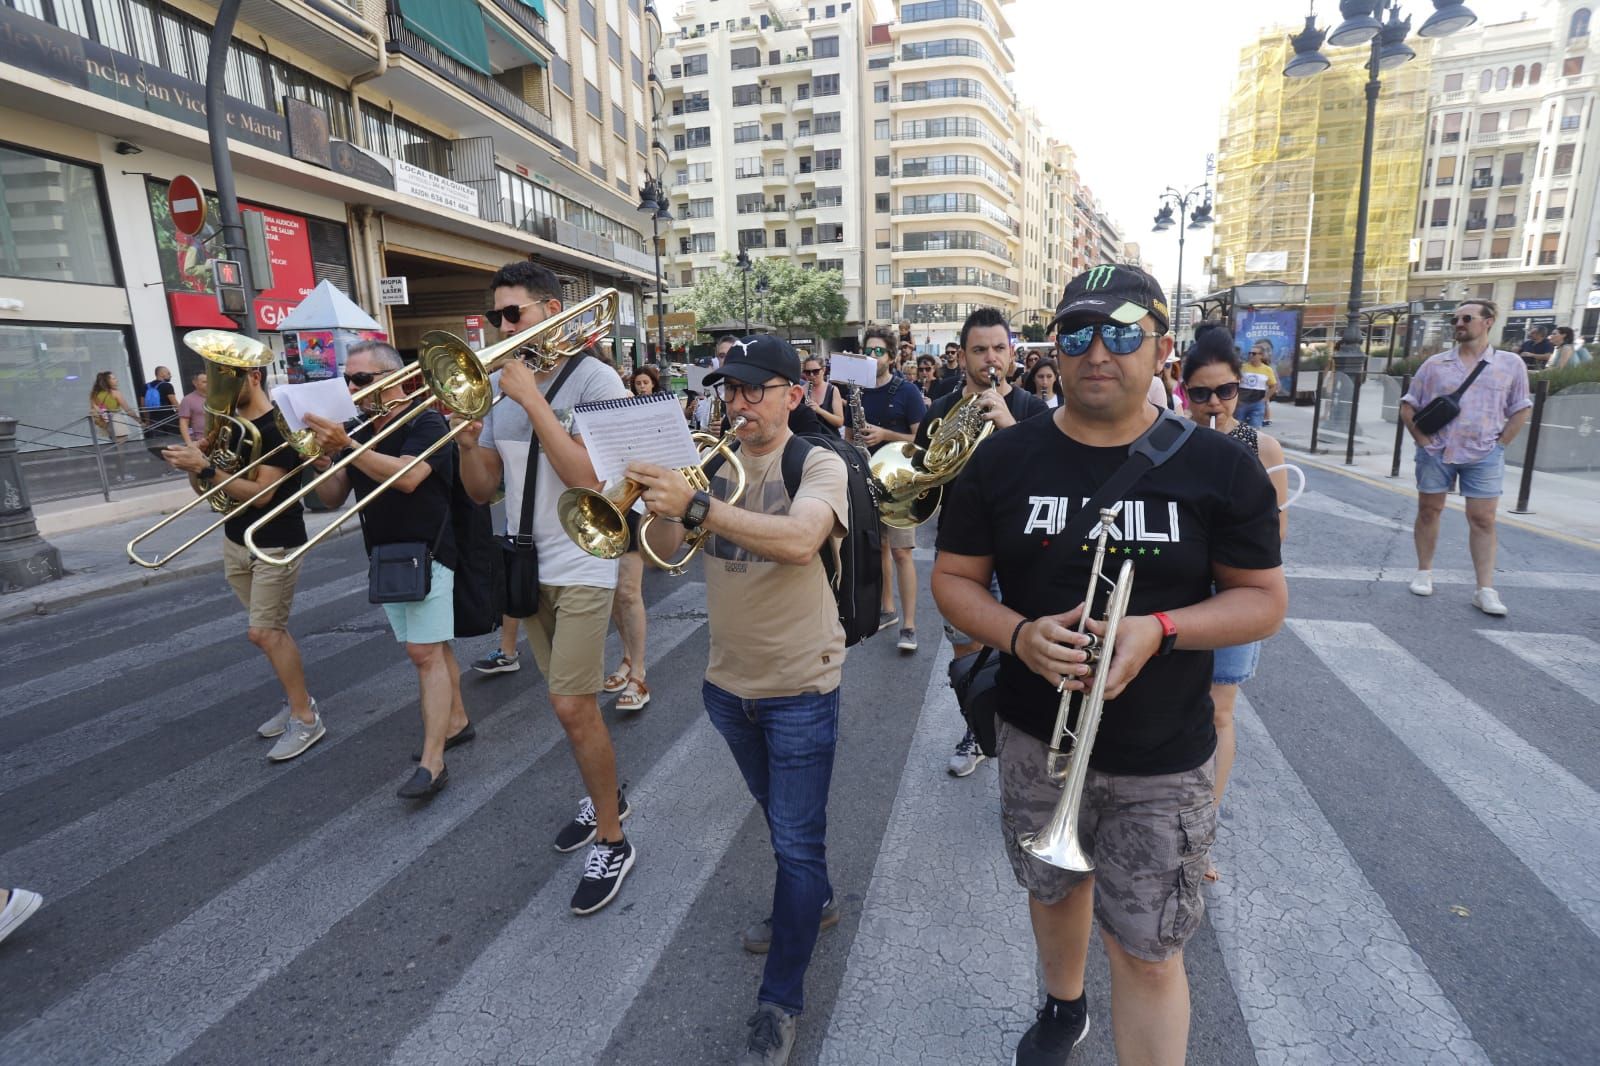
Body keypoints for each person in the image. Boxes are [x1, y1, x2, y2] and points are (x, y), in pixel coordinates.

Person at [933, 264, 1286, 1066]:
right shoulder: (1001, 460)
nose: (1100, 350)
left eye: (1124, 332)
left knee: (1149, 949)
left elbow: (1262, 599)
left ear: (1160, 346)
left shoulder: (1220, 465)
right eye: (1080, 332)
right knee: (1053, 892)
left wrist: (1158, 627)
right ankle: (1062, 1006)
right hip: (1036, 733)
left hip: (1162, 755)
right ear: (1054, 348)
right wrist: (1020, 635)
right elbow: (952, 581)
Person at [630, 335, 850, 1066]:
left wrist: (695, 501)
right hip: (728, 685)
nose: (740, 402)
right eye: (732, 389)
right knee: (782, 821)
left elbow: (798, 540)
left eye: (757, 389)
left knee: (794, 841)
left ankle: (778, 1001)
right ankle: (809, 897)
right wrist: (654, 497)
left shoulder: (817, 462)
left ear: (795, 393)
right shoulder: (709, 466)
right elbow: (666, 548)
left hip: (801, 685)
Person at [456, 260, 637, 915]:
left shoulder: (598, 378)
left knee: (570, 706)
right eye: (494, 317)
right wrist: (465, 436)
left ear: (551, 310)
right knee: (574, 705)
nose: (500, 328)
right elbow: (483, 490)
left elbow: (591, 480)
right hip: (528, 566)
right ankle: (606, 794)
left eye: (514, 315)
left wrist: (532, 397)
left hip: (585, 561)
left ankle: (613, 838)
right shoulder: (498, 393)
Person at [305, 341, 472, 799]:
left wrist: (348, 446)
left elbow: (409, 476)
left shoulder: (426, 421)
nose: (352, 388)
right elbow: (334, 497)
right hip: (385, 554)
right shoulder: (358, 426)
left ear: (396, 379)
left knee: (424, 654)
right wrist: (326, 461)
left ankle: (433, 761)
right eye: (348, 380)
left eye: (362, 379)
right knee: (432, 649)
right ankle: (455, 720)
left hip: (430, 551)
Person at [160, 363, 323, 761]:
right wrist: (196, 463)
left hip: (273, 541)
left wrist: (206, 466)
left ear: (253, 377)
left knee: (264, 633)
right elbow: (208, 489)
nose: (218, 387)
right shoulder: (230, 426)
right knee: (271, 632)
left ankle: (306, 719)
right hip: (236, 538)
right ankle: (298, 699)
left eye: (227, 378)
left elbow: (262, 494)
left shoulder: (278, 428)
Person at [918, 307, 1051, 779]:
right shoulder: (940, 411)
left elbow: (1050, 479)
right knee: (966, 652)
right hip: (962, 552)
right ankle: (977, 728)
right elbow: (923, 478)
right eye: (979, 349)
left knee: (1029, 647)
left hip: (1024, 553)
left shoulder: (1035, 411)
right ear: (963, 357)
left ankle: (1030, 732)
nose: (990, 358)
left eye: (999, 348)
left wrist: (1009, 427)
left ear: (1013, 353)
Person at [1182, 323, 1291, 880]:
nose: (1214, 404)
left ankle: (1201, 833)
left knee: (1221, 712)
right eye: (1200, 393)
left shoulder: (1260, 447)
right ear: (1184, 393)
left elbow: (1276, 538)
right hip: (1177, 601)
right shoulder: (1169, 439)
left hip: (1231, 601)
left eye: (1225, 391)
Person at [1401, 299, 1532, 617]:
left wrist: (1500, 445)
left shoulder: (1511, 364)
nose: (1459, 323)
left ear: (1488, 322)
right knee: (1430, 511)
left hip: (1484, 454)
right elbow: (1408, 405)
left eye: (1466, 318)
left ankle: (1485, 589)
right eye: (1455, 319)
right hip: (1437, 452)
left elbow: (1521, 407)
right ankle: (1424, 571)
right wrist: (1422, 440)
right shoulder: (1435, 365)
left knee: (1483, 519)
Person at [853, 325, 927, 651]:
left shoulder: (907, 391)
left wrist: (885, 435)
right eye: (868, 351)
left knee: (901, 552)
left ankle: (909, 625)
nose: (872, 356)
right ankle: (888, 609)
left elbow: (922, 440)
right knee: (879, 548)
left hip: (899, 480)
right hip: (868, 477)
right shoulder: (857, 392)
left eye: (878, 351)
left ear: (892, 356)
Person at [601, 363, 661, 712]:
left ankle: (638, 672)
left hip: (634, 507)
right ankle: (625, 657)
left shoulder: (641, 411)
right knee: (611, 591)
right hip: (605, 503)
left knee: (628, 590)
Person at [89, 371, 136, 483]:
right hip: (117, 422)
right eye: (113, 378)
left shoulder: (94, 395)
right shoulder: (115, 393)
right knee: (121, 452)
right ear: (107, 381)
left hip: (107, 424)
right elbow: (128, 410)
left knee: (116, 450)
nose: (116, 380)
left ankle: (119, 474)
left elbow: (95, 410)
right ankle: (122, 475)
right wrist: (140, 421)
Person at [1236, 341, 1279, 428]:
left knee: (1255, 429)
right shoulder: (1242, 367)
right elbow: (1234, 382)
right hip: (1242, 403)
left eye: (1254, 353)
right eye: (1250, 353)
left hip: (1257, 404)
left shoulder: (1267, 370)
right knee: (1238, 428)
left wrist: (1265, 399)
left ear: (1261, 356)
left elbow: (1273, 386)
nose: (1251, 355)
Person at [800, 355, 846, 435]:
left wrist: (819, 410)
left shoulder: (832, 390)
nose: (811, 375)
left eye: (815, 371)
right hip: (809, 439)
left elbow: (839, 422)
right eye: (807, 372)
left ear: (823, 370)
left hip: (830, 440)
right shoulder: (801, 391)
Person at [142, 364, 179, 436]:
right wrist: (182, 416)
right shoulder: (167, 385)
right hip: (169, 419)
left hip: (154, 420)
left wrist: (147, 421)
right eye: (168, 373)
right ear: (162, 374)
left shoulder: (145, 386)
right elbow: (175, 403)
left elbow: (143, 405)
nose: (170, 375)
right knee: (175, 441)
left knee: (159, 443)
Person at [176, 372, 209, 444]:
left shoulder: (218, 398)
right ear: (195, 383)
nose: (208, 384)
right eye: (204, 382)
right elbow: (184, 422)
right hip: (201, 441)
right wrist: (189, 443)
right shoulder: (187, 399)